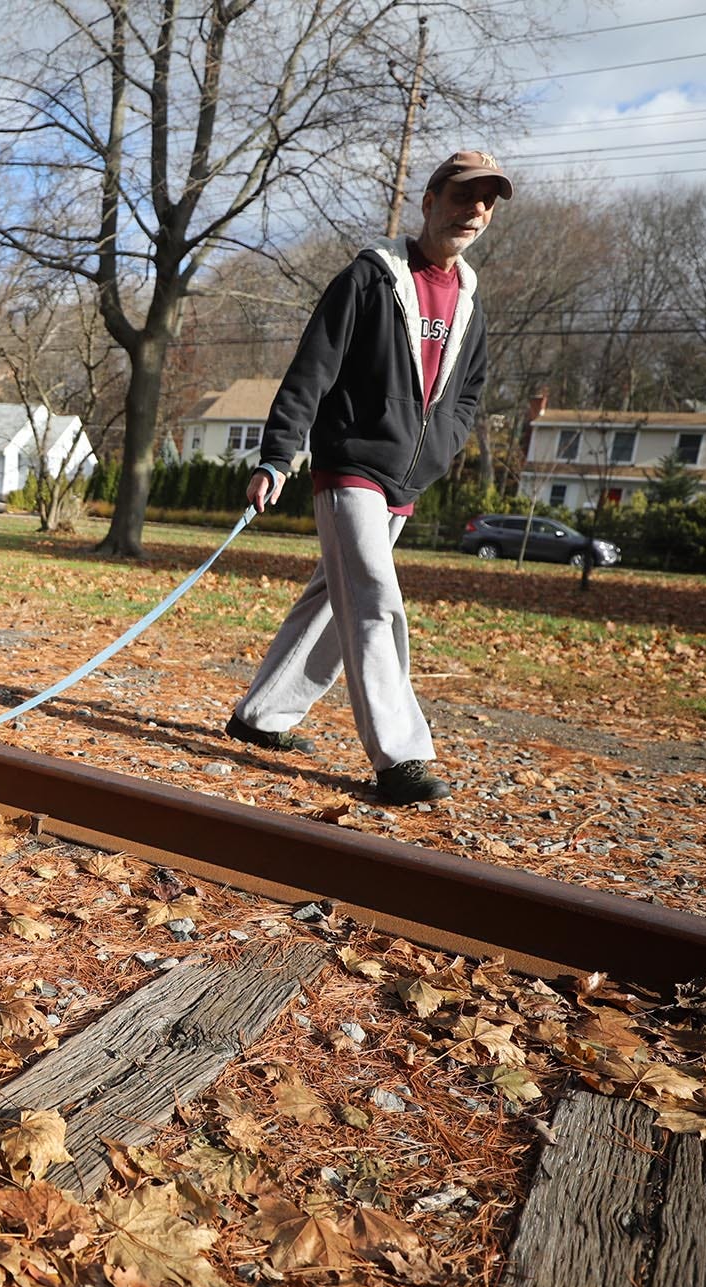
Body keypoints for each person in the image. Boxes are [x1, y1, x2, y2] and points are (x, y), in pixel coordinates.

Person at [224, 150, 510, 805]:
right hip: (350, 465)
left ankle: (259, 717)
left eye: (488, 202)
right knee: (375, 600)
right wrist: (277, 455)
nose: (476, 212)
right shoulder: (371, 277)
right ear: (431, 200)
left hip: (406, 481)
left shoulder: (471, 301)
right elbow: (312, 370)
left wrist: (440, 446)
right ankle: (401, 756)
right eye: (465, 197)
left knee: (331, 601)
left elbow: (468, 394)